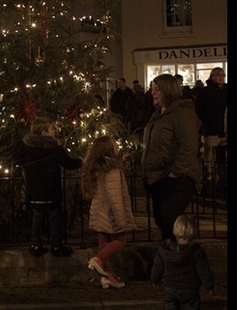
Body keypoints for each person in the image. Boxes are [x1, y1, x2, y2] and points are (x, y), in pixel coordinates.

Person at [141, 74, 201, 241]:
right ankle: (169, 252)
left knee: (170, 220)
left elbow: (188, 145)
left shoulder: (182, 114)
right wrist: (137, 156)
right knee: (161, 220)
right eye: (152, 89)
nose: (153, 93)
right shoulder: (158, 115)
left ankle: (179, 252)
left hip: (176, 179)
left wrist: (177, 171)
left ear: (168, 91)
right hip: (157, 178)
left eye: (157, 89)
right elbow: (155, 144)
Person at [14, 117, 82, 257]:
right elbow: (68, 163)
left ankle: (35, 244)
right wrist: (80, 162)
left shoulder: (26, 147)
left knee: (37, 215)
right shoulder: (54, 148)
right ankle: (56, 245)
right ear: (44, 133)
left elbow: (17, 160)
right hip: (51, 188)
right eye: (52, 129)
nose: (54, 132)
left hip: (34, 189)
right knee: (55, 215)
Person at [81, 135, 138, 289]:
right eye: (114, 144)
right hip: (110, 212)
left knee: (104, 243)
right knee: (120, 240)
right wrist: (121, 218)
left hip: (100, 211)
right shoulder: (111, 167)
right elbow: (115, 195)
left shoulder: (96, 167)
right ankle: (98, 259)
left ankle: (107, 277)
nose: (116, 146)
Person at [151, 214, 214, 310]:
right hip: (189, 288)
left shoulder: (165, 250)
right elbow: (203, 270)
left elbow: (157, 267)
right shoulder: (196, 251)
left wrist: (155, 280)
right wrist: (209, 285)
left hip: (170, 287)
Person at [195, 67, 227, 188]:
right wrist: (206, 122)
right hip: (212, 128)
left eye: (223, 75)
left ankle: (221, 179)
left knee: (222, 156)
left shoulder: (225, 90)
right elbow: (200, 110)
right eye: (218, 75)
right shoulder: (206, 92)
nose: (221, 77)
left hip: (224, 129)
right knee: (209, 156)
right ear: (212, 76)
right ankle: (209, 179)